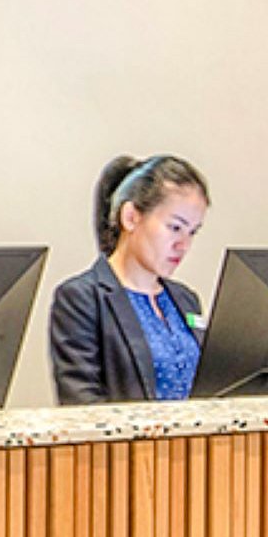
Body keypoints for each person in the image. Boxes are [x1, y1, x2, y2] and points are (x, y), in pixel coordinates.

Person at [46, 154, 210, 403]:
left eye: (192, 232)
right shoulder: (81, 299)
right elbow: (81, 401)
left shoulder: (186, 300)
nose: (184, 245)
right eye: (175, 228)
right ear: (131, 217)